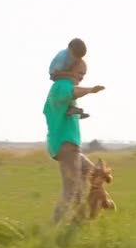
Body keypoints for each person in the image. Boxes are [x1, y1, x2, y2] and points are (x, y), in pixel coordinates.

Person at [43, 59, 105, 223]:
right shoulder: (62, 85)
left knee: (92, 173)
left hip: (70, 146)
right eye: (79, 73)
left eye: (83, 75)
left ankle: (82, 218)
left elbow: (62, 109)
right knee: (71, 190)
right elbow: (74, 91)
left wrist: (77, 114)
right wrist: (90, 90)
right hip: (66, 146)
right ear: (70, 70)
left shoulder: (61, 89)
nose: (81, 78)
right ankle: (54, 228)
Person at [48, 38, 91, 119]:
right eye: (75, 56)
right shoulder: (62, 57)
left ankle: (72, 108)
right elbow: (55, 72)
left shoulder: (72, 57)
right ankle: (69, 107)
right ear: (69, 49)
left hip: (63, 71)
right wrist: (71, 74)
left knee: (72, 83)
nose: (77, 59)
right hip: (55, 74)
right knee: (70, 82)